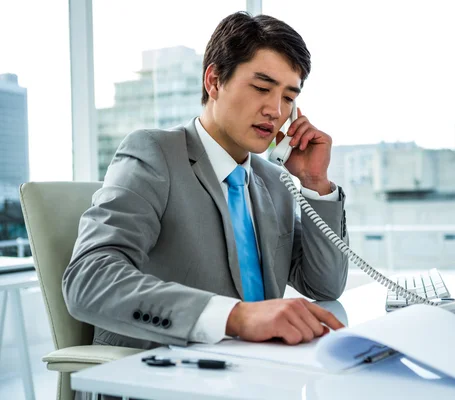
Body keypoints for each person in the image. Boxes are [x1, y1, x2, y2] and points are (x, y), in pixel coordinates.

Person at [63, 11, 349, 352]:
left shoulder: (275, 180)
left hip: (261, 371)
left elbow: (326, 285)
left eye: (288, 97)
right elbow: (88, 280)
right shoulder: (154, 155)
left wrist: (315, 183)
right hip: (165, 374)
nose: (275, 110)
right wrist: (236, 317)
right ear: (213, 81)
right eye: (261, 88)